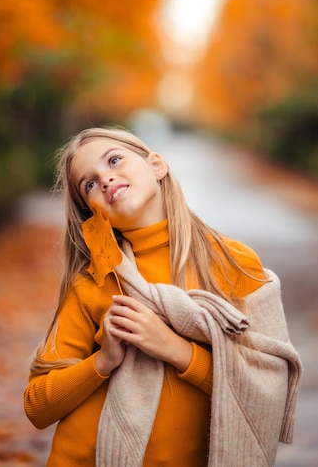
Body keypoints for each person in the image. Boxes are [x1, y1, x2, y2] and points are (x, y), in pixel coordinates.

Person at [24, 126, 301, 467]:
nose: (106, 180)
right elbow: (37, 406)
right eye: (90, 184)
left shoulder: (232, 263)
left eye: (114, 161)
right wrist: (103, 361)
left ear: (157, 165)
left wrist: (176, 350)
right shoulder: (95, 281)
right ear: (92, 211)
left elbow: (266, 391)